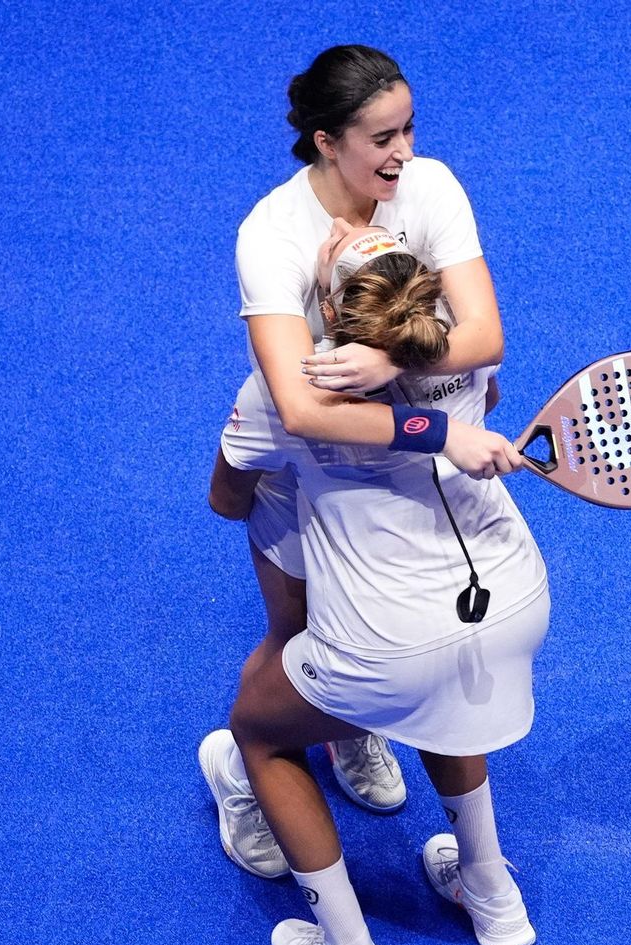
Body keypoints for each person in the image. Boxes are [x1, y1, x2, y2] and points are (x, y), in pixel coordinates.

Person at [204, 221, 549, 945]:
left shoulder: (279, 393)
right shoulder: (468, 352)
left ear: (329, 313)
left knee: (257, 729)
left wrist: (302, 475)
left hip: (392, 639)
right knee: (444, 689)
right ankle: (492, 894)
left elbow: (226, 500)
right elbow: (476, 390)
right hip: (514, 600)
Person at [201, 42, 513, 881]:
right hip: (301, 461)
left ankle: (350, 730)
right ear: (326, 141)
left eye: (409, 129)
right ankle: (247, 775)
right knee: (301, 634)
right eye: (381, 138)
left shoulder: (431, 186)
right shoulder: (272, 234)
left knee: (379, 619)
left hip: (392, 448)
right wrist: (442, 426)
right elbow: (300, 409)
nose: (403, 153)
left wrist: (392, 365)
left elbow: (486, 337)